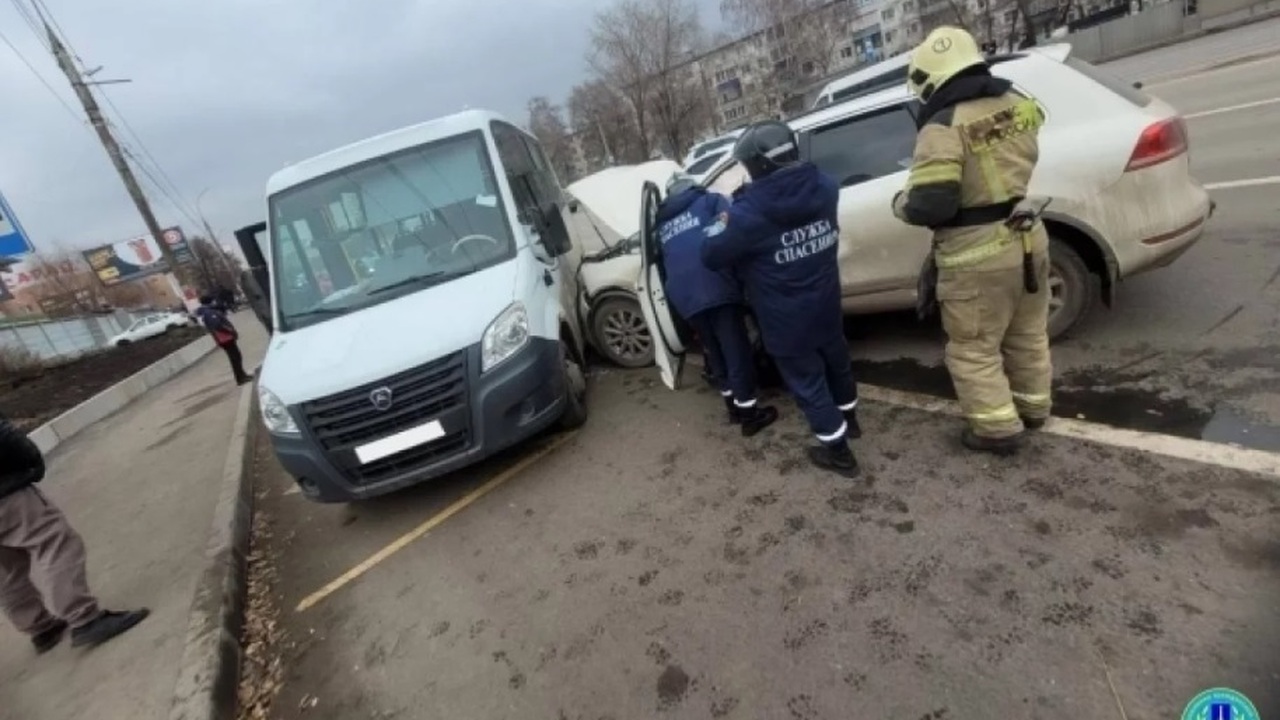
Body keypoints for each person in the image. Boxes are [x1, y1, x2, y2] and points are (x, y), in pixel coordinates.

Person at [891, 26, 1052, 456]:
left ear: (930, 80)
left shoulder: (943, 125)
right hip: (1027, 234)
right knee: (1028, 333)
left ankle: (996, 430)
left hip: (976, 252)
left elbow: (931, 205)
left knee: (973, 349)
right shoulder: (1016, 102)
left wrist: (900, 204)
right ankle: (1035, 409)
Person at [702, 120, 862, 479]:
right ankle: (850, 420)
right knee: (837, 363)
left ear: (757, 165)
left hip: (784, 317)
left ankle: (838, 452)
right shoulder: (825, 186)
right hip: (826, 302)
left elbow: (710, 253)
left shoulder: (745, 214)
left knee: (808, 382)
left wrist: (726, 214)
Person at [0, 416, 150, 652]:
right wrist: (31, 458)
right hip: (6, 495)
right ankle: (85, 619)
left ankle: (40, 627)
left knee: (8, 568)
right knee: (55, 542)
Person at [657, 172, 778, 436]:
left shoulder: (662, 224)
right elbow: (732, 233)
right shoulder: (709, 202)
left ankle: (733, 408)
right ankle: (749, 416)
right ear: (692, 186)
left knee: (714, 352)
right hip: (715, 285)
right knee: (736, 351)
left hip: (684, 297)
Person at [196, 294, 252, 385]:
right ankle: (240, 377)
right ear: (210, 301)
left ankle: (242, 375)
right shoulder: (209, 312)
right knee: (235, 358)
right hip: (225, 338)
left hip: (224, 339)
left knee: (236, 357)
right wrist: (230, 330)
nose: (215, 302)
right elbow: (217, 325)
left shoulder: (208, 312)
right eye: (213, 301)